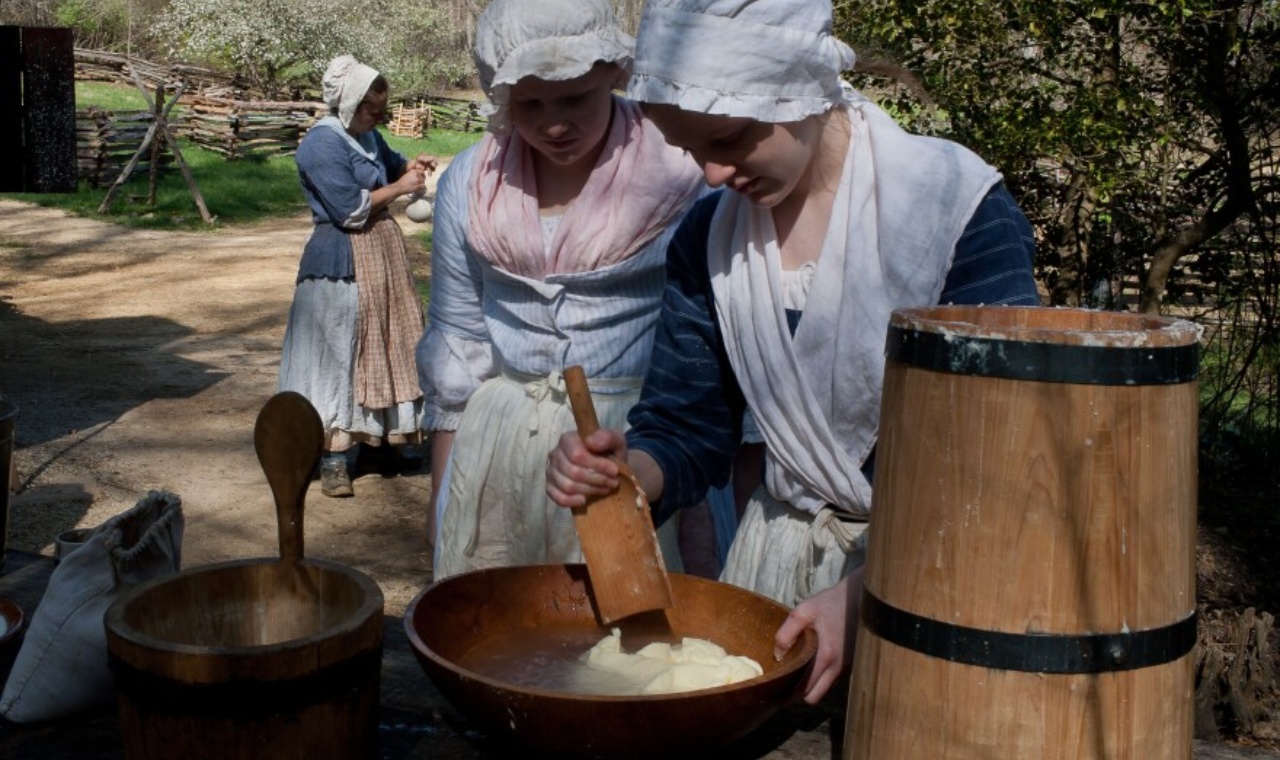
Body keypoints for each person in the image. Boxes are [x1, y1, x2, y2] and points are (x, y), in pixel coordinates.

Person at [545, 0, 1041, 706]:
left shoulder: (952, 213)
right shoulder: (710, 239)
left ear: (797, 89)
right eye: (691, 152)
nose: (713, 175)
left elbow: (1001, 458)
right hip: (778, 583)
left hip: (940, 579)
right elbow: (689, 427)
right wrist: (627, 473)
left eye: (731, 139)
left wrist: (871, 592)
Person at [415, 0, 707, 577]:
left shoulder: (680, 172)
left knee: (636, 645)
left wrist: (706, 512)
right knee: (506, 631)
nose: (553, 124)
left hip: (637, 443)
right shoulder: (471, 184)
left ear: (613, 73)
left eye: (575, 98)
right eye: (529, 104)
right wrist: (442, 496)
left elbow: (716, 348)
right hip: (501, 445)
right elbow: (460, 341)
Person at [280, 54, 438, 498]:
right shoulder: (321, 145)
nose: (380, 117)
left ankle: (377, 445)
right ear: (348, 104)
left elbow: (393, 168)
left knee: (387, 344)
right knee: (338, 352)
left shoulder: (368, 138)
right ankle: (331, 454)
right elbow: (349, 211)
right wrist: (401, 189)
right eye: (374, 110)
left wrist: (414, 169)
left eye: (383, 110)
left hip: (382, 255)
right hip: (339, 260)